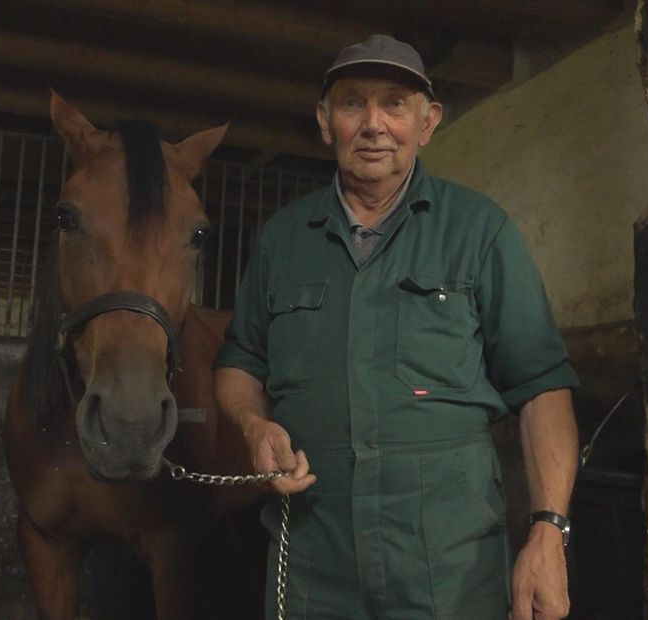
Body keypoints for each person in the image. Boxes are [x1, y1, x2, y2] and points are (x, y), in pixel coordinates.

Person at [214, 34, 580, 620]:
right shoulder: (282, 239)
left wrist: (548, 533)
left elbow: (542, 386)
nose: (373, 125)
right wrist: (253, 425)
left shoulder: (479, 230)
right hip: (313, 557)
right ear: (324, 121)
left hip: (449, 566)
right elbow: (241, 362)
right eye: (352, 103)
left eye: (395, 104)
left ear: (427, 122)